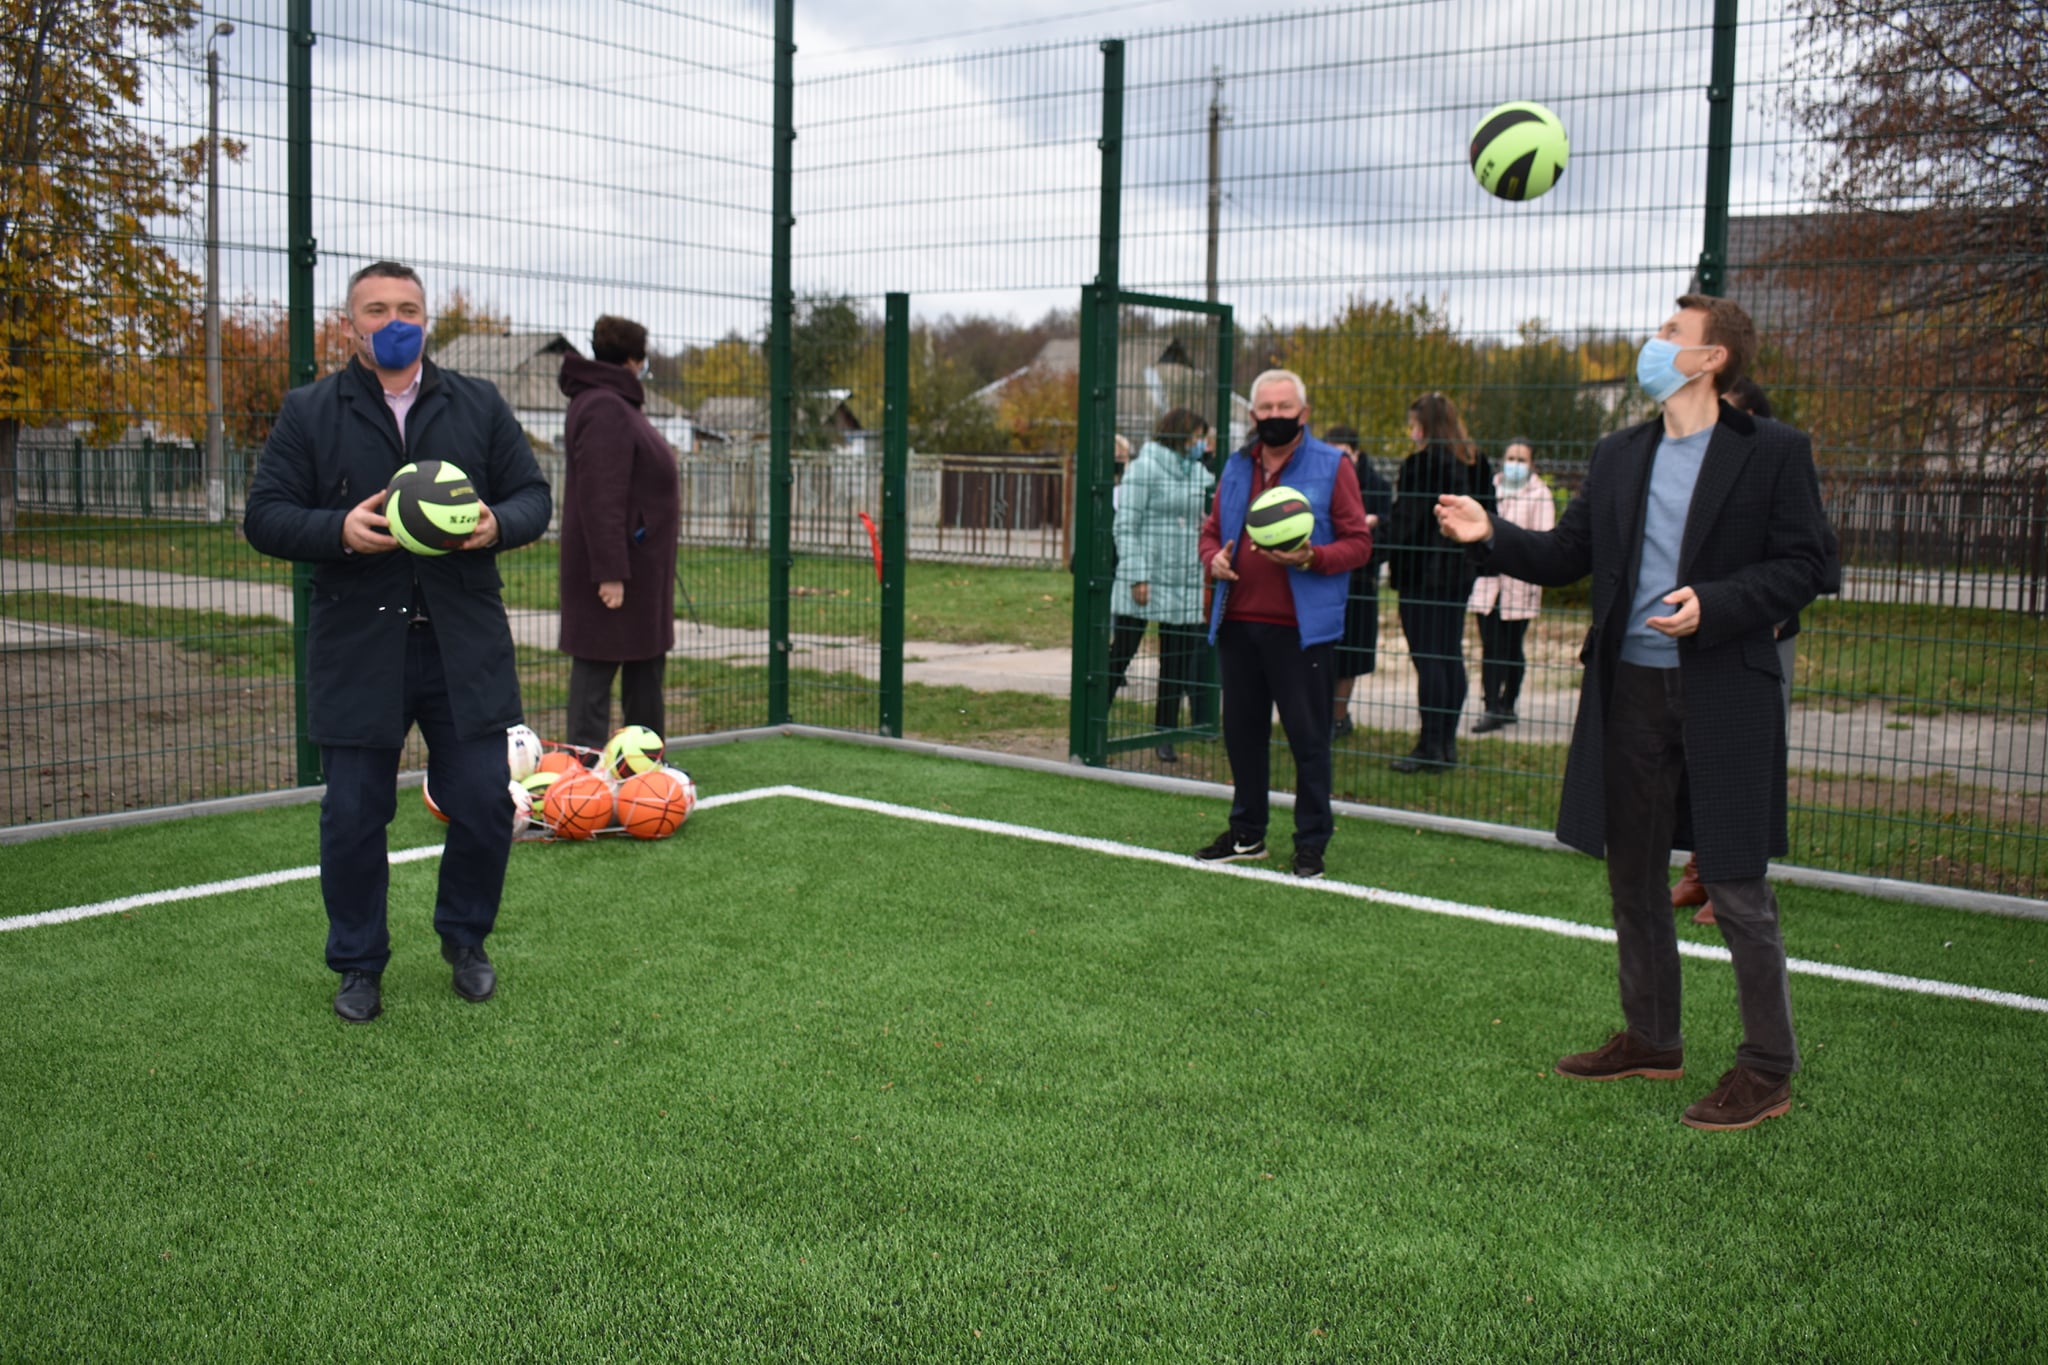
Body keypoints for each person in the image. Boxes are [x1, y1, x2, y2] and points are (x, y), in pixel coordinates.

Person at [1434, 293, 1830, 1131]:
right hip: (1630, 688)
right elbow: (1566, 555)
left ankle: (1768, 1066)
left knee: (1735, 881)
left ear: (1711, 357)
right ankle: (1653, 1037)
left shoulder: (1773, 452)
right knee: (1633, 871)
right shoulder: (1620, 453)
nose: (1653, 344)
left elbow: (1807, 565)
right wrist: (1488, 533)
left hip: (1727, 687)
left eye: (1669, 335)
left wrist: (1716, 603)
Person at [244, 261, 553, 1023]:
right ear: (350, 324)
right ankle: (357, 962)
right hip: (359, 647)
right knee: (353, 812)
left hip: (462, 643)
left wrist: (495, 524)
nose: (393, 320)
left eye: (407, 307)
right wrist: (339, 530)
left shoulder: (476, 404)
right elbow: (265, 515)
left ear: (427, 320)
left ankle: (465, 939)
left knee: (485, 802)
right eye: (376, 309)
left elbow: (534, 497)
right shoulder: (311, 411)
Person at [1670, 376, 1841, 924]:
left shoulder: (1777, 462)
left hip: (1758, 640)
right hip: (1698, 639)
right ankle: (1700, 870)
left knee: (1745, 759)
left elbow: (1813, 562)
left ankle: (1734, 880)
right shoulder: (1692, 473)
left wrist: (1776, 613)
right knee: (1693, 756)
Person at [1194, 370, 1374, 879]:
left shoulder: (1332, 465)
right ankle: (1247, 835)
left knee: (1308, 740)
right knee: (1242, 736)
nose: (1274, 416)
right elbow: (1210, 533)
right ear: (1252, 416)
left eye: (1284, 407)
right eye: (1265, 408)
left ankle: (1311, 842)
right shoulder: (1234, 466)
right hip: (1237, 623)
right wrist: (1214, 560)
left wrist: (1312, 557)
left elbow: (1359, 543)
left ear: (1304, 412)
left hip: (1301, 632)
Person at [558, 315, 680, 751]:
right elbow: (600, 493)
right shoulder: (606, 406)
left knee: (643, 671)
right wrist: (610, 572)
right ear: (633, 359)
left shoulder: (612, 403)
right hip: (617, 571)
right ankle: (583, 776)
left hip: (638, 568)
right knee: (595, 672)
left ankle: (644, 773)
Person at [1387, 393, 1494, 772]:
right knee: (1450, 653)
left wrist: (1373, 542)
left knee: (1428, 657)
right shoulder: (1475, 460)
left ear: (1426, 425)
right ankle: (1445, 744)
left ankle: (1430, 745)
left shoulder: (1422, 464)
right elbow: (1488, 514)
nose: (1411, 431)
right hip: (1460, 571)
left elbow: (1407, 520)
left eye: (1414, 423)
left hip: (1422, 573)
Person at [1107, 408, 1215, 763]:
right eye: (1197, 435)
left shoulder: (1199, 473)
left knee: (1176, 661)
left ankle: (1165, 735)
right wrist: (1138, 575)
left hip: (1184, 578)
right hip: (1147, 577)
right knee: (1121, 653)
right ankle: (1096, 720)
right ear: (1181, 434)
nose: (1202, 443)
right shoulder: (1144, 468)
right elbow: (1126, 526)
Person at [1467, 437, 1556, 734]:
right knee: (1490, 646)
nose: (1514, 464)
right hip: (1488, 582)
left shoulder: (1540, 495)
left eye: (1521, 460)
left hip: (1520, 583)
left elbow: (1543, 538)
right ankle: (1491, 705)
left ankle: (1508, 704)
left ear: (1531, 465)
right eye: (1511, 458)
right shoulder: (1491, 487)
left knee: (1512, 647)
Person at [1322, 423, 1393, 740]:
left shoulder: (1376, 485)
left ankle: (1339, 717)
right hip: (1323, 579)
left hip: (1360, 580)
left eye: (1344, 454)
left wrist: (1370, 527)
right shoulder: (1320, 479)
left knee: (1351, 653)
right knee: (1323, 651)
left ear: (1356, 453)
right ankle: (1322, 714)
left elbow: (1387, 533)